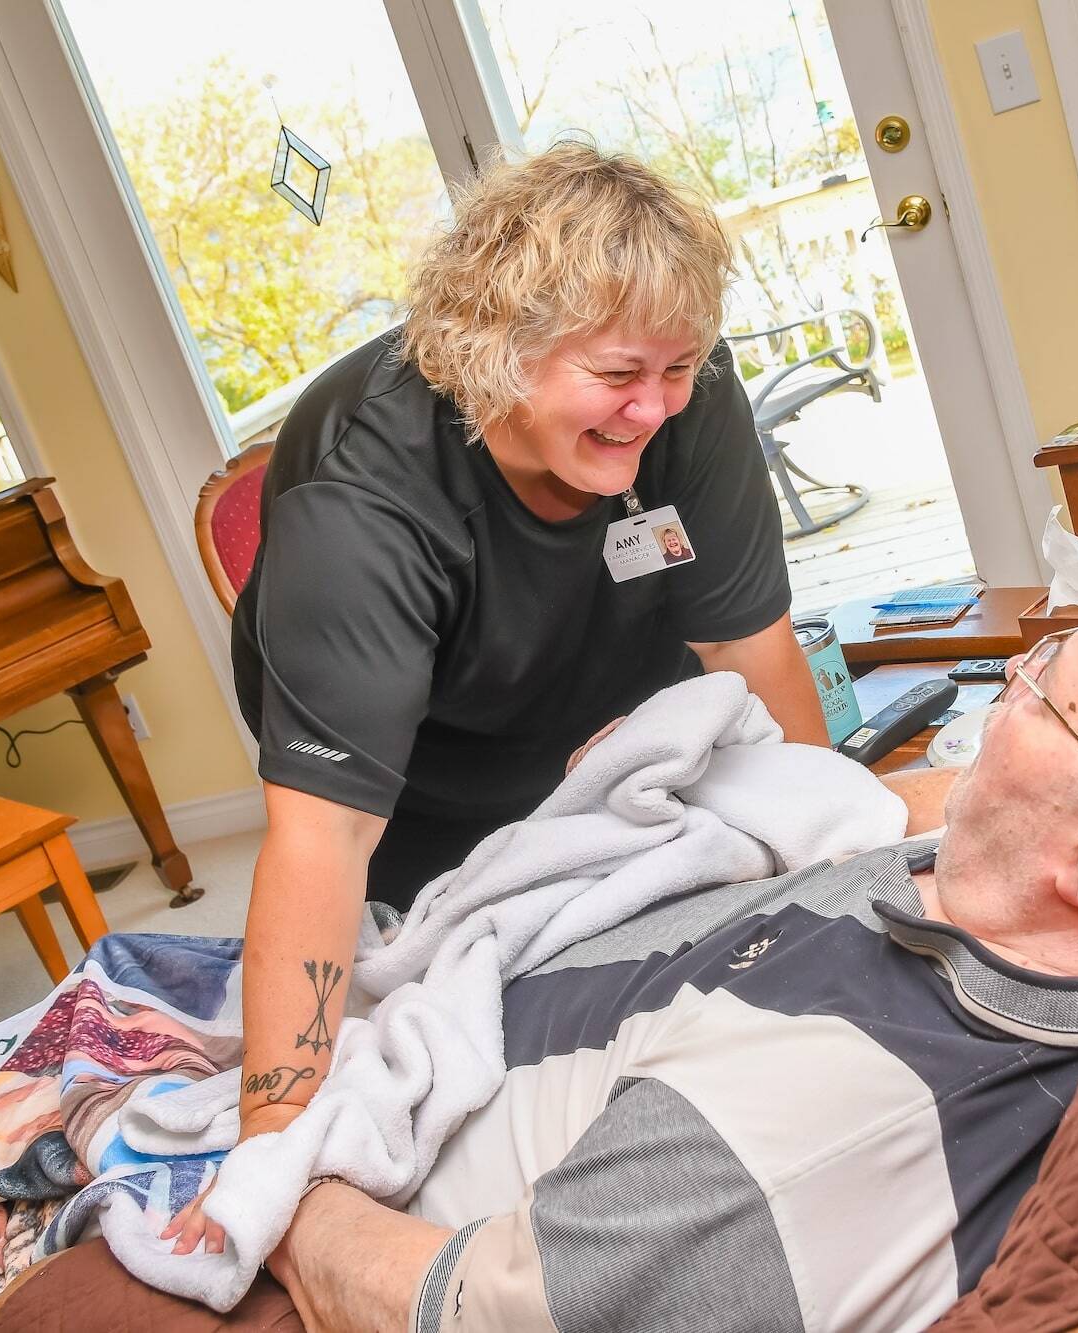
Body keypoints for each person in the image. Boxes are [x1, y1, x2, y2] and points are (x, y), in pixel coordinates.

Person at [134, 592, 1078, 1331]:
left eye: (1043, 695)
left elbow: (474, 1309)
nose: (1009, 685)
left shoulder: (827, 1113)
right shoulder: (997, 885)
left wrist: (287, 1191)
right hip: (481, 968)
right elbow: (839, 808)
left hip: (389, 1139)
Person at [218, 144, 827, 1214]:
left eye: (675, 369)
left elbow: (752, 651)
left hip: (616, 719)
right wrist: (275, 1142)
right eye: (616, 377)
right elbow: (323, 837)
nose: (653, 408)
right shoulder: (360, 501)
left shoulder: (684, 390)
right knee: (522, 1047)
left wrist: (834, 866)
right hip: (424, 785)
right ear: (493, 348)